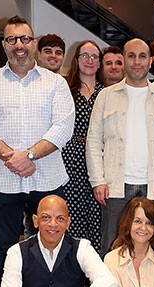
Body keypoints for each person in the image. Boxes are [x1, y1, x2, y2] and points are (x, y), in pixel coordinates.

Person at [0, 15, 75, 277]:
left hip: (48, 178)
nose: (20, 45)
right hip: (2, 180)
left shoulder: (56, 83)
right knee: (3, 247)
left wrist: (28, 155)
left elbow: (63, 128)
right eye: (12, 39)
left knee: (53, 244)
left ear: (34, 43)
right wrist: (13, 158)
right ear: (4, 45)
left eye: (25, 38)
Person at [86, 38, 154, 256]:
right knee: (111, 249)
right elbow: (93, 141)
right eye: (131, 56)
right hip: (115, 186)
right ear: (124, 60)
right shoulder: (105, 97)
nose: (136, 62)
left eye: (142, 56)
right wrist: (98, 180)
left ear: (151, 62)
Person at [62, 40, 104, 250]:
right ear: (77, 60)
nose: (89, 60)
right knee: (73, 221)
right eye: (84, 56)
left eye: (94, 57)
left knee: (99, 223)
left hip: (99, 161)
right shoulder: (65, 89)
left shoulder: (107, 93)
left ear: (99, 63)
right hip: (70, 159)